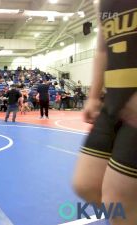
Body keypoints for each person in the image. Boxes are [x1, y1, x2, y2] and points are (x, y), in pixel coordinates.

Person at [72, 1, 137, 225]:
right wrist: (92, 95)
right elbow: (103, 48)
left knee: (118, 200)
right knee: (86, 185)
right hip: (113, 102)